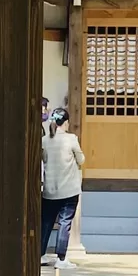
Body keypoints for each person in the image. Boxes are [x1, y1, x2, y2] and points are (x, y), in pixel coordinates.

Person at [40, 108, 84, 261]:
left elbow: (43, 159)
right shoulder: (71, 139)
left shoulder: (44, 140)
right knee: (65, 223)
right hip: (69, 190)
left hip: (50, 190)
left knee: (46, 222)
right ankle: (61, 259)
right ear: (66, 123)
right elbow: (81, 160)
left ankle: (41, 255)